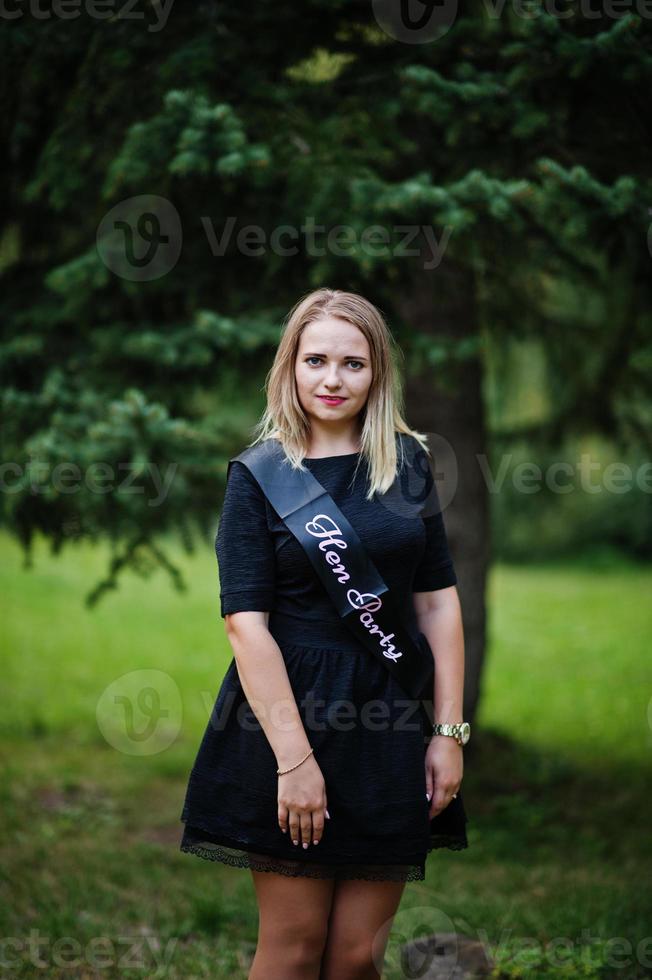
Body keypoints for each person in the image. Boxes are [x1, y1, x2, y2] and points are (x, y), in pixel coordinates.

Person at [179, 287, 469, 980]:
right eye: (315, 361)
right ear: (291, 368)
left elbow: (438, 606)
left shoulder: (407, 464)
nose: (333, 379)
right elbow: (244, 626)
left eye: (352, 363)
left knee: (354, 956)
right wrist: (294, 761)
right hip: (288, 719)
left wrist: (448, 734)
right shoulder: (259, 477)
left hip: (390, 721)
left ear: (377, 374)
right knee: (294, 946)